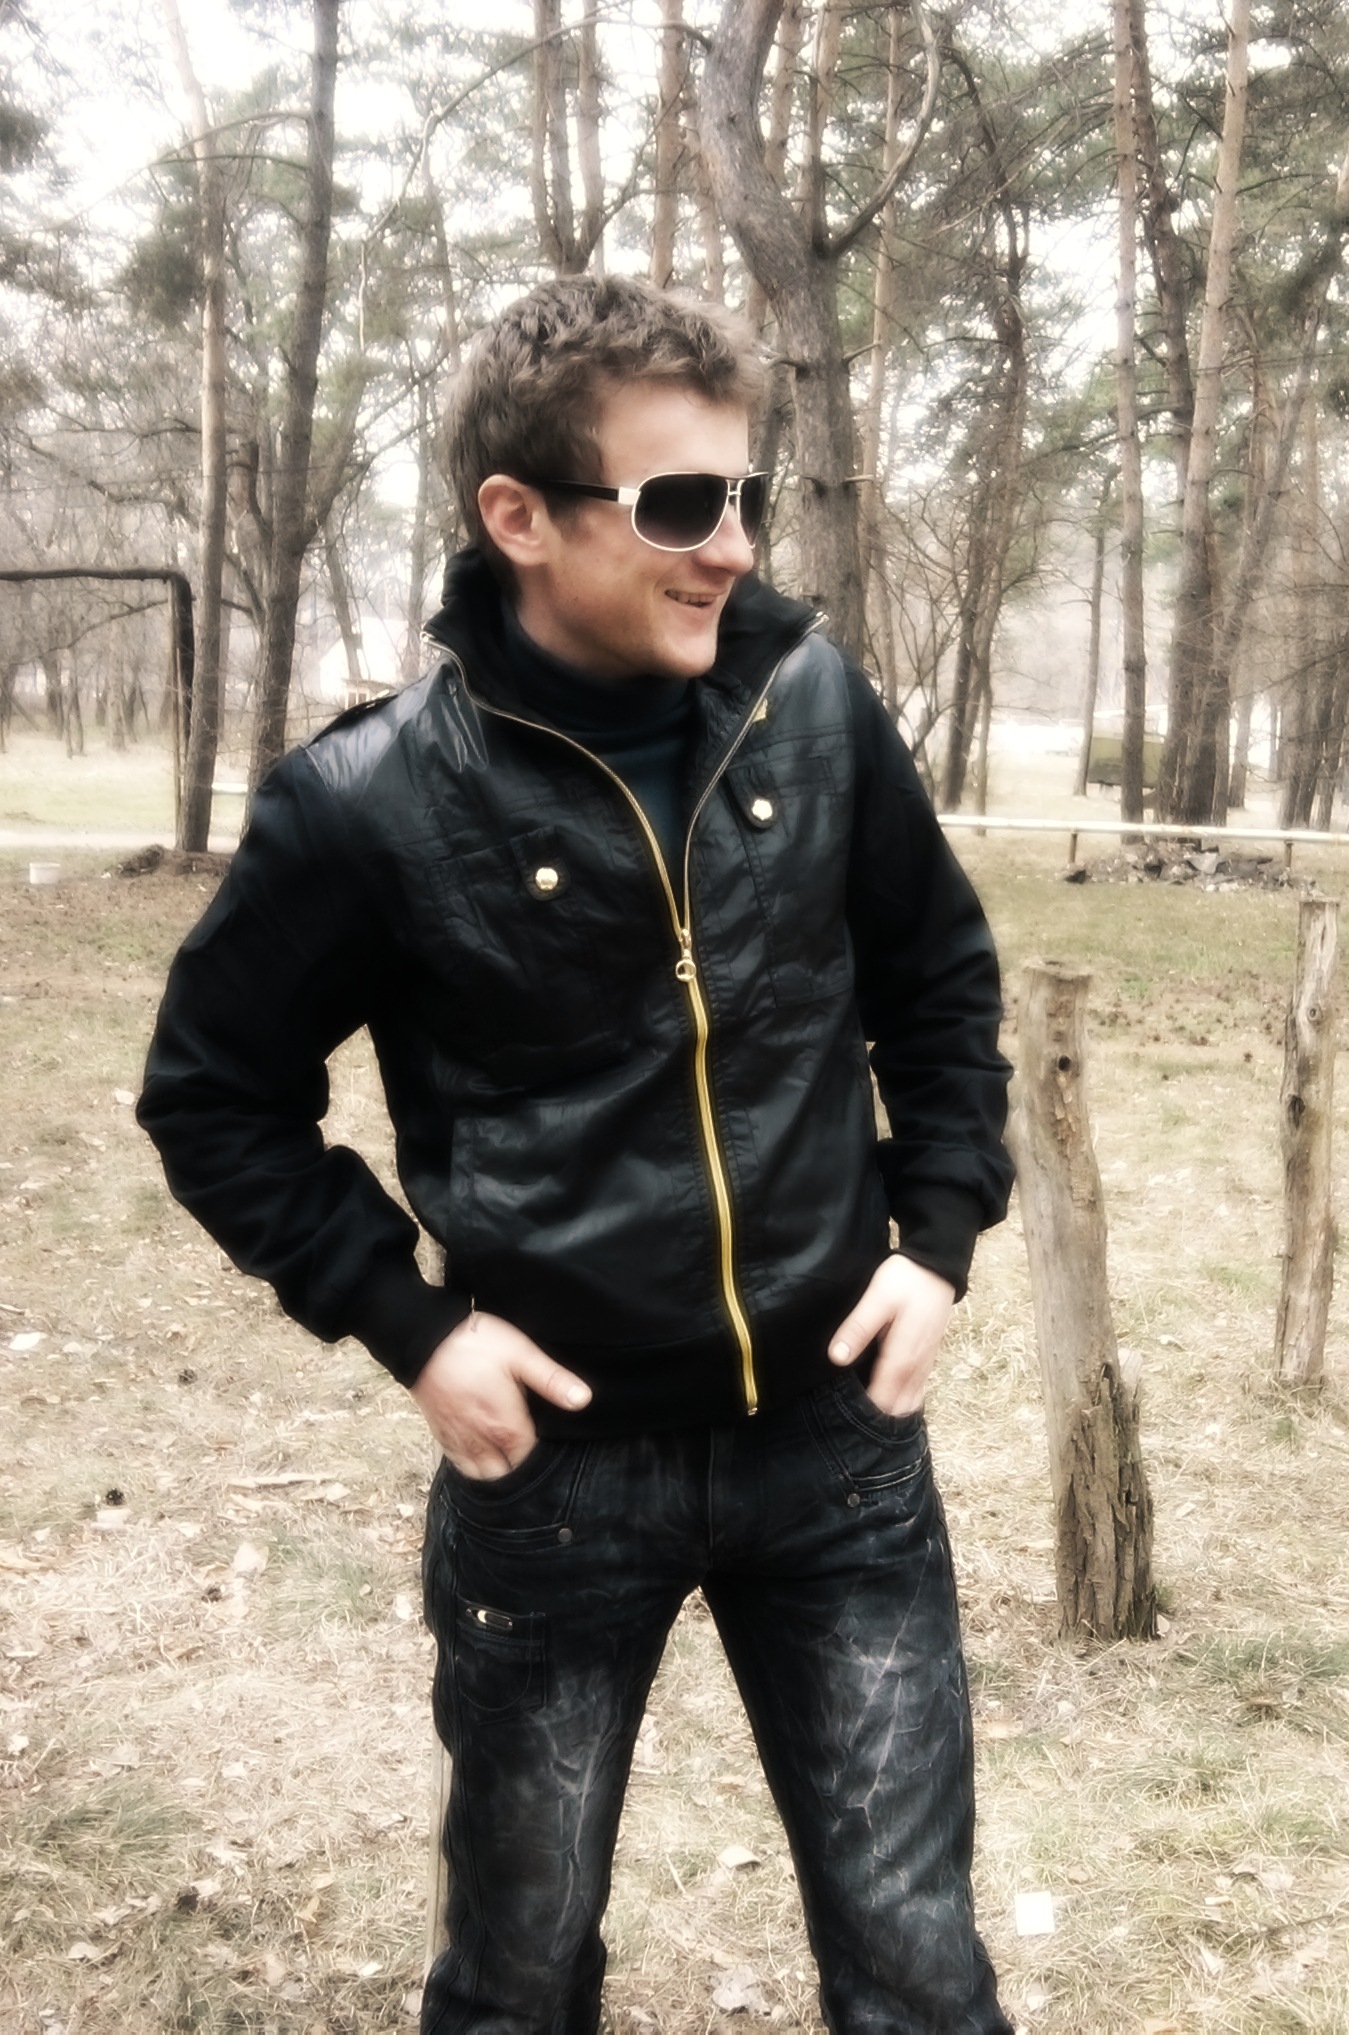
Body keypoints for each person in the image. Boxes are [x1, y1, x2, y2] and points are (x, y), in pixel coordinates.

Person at [139, 274, 1016, 2035]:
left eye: (748, 495)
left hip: (837, 1450)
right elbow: (211, 1095)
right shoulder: (368, 801)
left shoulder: (815, 710)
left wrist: (935, 1239)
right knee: (518, 1980)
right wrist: (414, 1329)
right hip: (557, 1476)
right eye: (683, 503)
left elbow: (938, 983)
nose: (732, 545)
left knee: (920, 1968)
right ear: (520, 518)